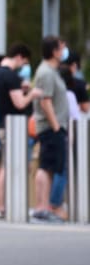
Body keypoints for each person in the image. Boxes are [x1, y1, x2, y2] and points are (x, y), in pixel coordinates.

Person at [0, 44, 41, 219]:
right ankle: (4, 206)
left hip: (1, 125)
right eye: (24, 61)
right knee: (6, 166)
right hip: (13, 127)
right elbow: (19, 103)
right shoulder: (11, 76)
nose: (23, 65)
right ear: (19, 57)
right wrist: (32, 94)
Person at [31, 37, 70, 222]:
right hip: (50, 127)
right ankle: (42, 206)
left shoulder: (51, 72)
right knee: (46, 166)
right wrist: (55, 126)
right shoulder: (46, 72)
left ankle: (44, 206)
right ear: (54, 51)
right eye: (61, 48)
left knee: (48, 167)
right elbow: (45, 101)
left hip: (54, 126)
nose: (64, 52)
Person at [49, 64, 81, 217]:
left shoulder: (52, 94)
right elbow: (75, 119)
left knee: (51, 170)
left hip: (49, 133)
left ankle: (50, 204)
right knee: (62, 171)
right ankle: (56, 204)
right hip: (64, 135)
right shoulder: (69, 95)